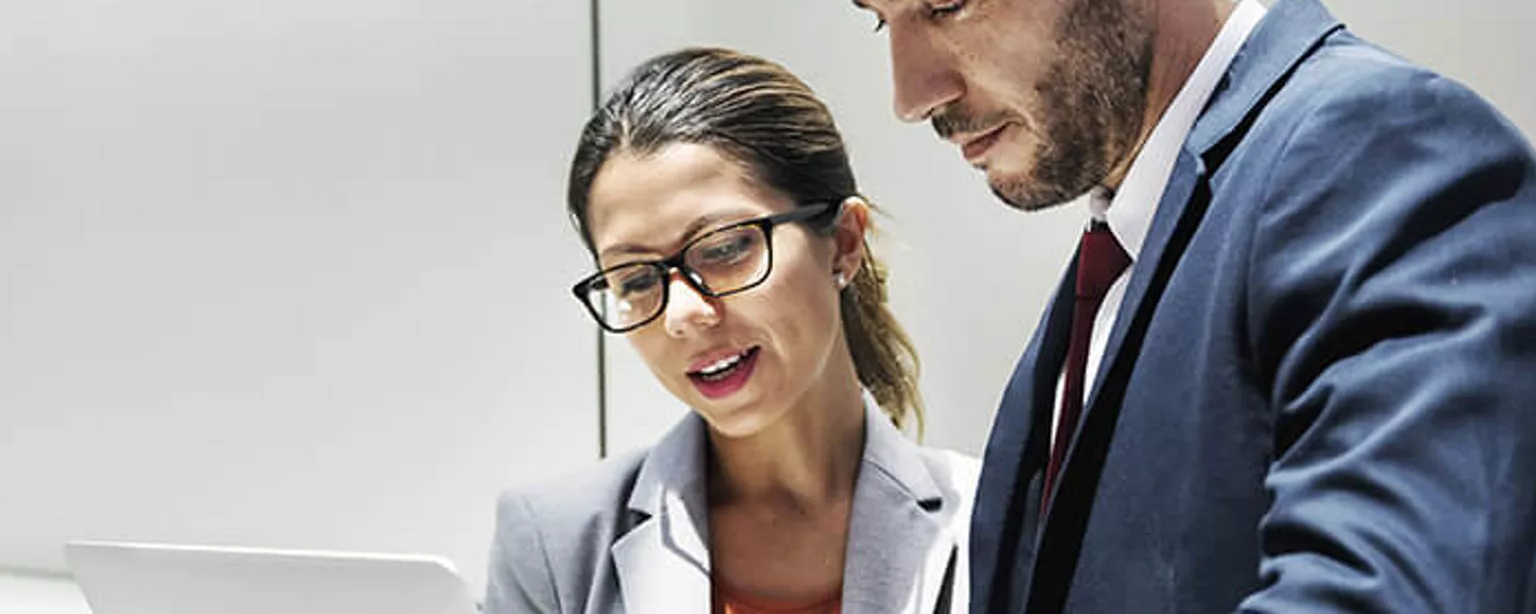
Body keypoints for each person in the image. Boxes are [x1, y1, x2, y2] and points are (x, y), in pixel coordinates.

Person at [848, 0, 1536, 612]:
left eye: (946, 4)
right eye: (882, 18)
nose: (910, 96)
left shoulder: (1379, 146)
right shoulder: (1118, 258)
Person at [483, 47, 979, 614]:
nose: (682, 314)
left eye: (725, 249)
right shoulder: (554, 543)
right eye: (636, 280)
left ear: (843, 243)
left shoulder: (998, 519)